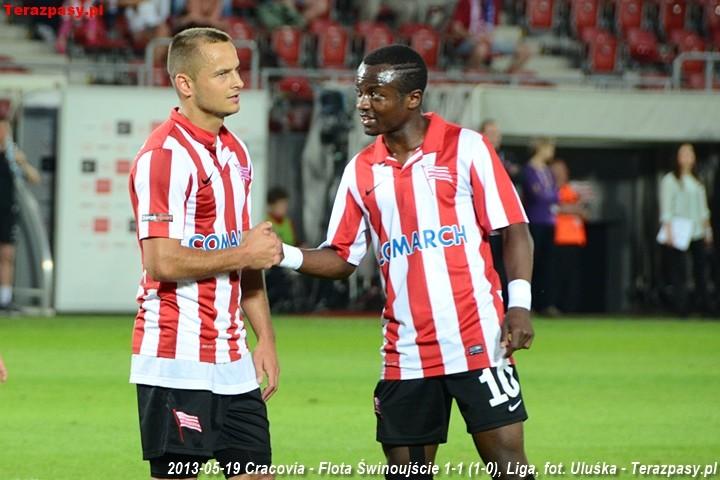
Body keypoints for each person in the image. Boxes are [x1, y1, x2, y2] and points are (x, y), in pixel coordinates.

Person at [278, 45, 536, 479]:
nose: (363, 104)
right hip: (407, 351)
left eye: (376, 94)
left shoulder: (466, 148)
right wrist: (280, 254)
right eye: (360, 92)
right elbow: (342, 257)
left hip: (478, 340)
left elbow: (514, 229)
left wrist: (520, 305)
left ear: (413, 98)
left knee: (509, 468)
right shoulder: (361, 170)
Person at [128, 27, 283, 480]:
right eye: (223, 73)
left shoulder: (236, 151)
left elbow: (247, 257)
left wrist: (266, 339)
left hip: (233, 359)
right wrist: (243, 252)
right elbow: (161, 262)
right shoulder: (164, 156)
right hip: (175, 360)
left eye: (237, 70)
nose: (238, 82)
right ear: (186, 84)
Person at [659, 143, 713, 316]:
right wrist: (668, 230)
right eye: (684, 154)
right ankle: (681, 306)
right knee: (679, 270)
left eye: (690, 154)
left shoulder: (697, 180)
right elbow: (666, 207)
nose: (687, 158)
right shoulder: (670, 180)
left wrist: (707, 230)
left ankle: (704, 304)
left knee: (700, 269)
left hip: (697, 230)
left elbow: (703, 209)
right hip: (679, 230)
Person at [0, 113, 41, 313]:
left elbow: (35, 178)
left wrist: (22, 163)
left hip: (7, 211)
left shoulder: (11, 156)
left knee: (7, 255)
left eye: (5, 128)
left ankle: (5, 299)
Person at [480, 119, 522, 311]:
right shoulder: (473, 156)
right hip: (482, 223)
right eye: (490, 133)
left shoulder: (507, 157)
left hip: (504, 220)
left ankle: (508, 305)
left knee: (505, 265)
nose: (494, 137)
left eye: (497, 134)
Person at [521, 138, 559, 316]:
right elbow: (537, 195)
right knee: (532, 264)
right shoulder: (529, 170)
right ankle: (530, 304)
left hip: (549, 221)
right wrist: (549, 195)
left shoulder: (547, 171)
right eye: (550, 148)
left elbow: (553, 195)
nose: (552, 152)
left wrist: (548, 195)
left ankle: (546, 303)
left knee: (548, 265)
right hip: (535, 220)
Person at [448, 0, 531, 72]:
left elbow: (495, 27)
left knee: (524, 50)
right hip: (468, 40)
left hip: (489, 39)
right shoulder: (466, 2)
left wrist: (489, 37)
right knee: (482, 48)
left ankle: (506, 77)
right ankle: (471, 72)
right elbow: (456, 28)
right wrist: (474, 37)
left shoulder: (493, 3)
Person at [550, 159, 588, 313]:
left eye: (563, 171)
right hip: (558, 238)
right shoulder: (552, 191)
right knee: (556, 276)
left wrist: (571, 209)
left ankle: (571, 309)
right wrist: (572, 209)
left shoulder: (571, 191)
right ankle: (553, 306)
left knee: (573, 277)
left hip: (575, 240)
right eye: (557, 171)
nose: (561, 174)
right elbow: (553, 208)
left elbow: (584, 212)